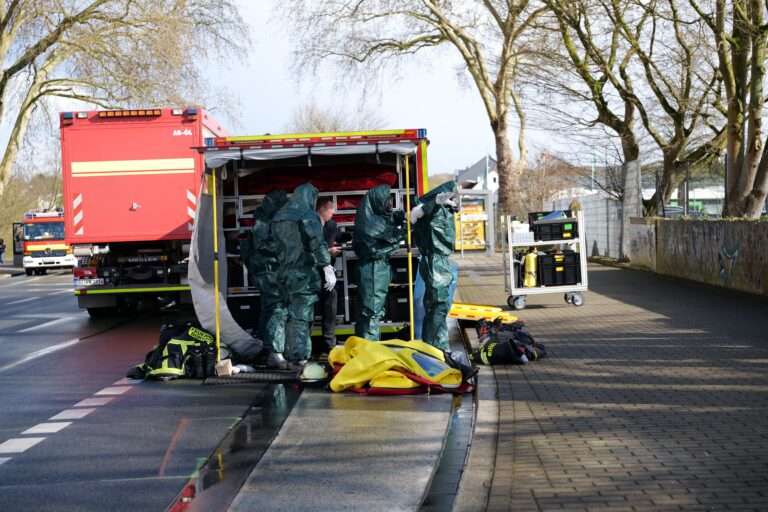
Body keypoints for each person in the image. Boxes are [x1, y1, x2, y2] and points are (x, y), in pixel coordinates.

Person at [271, 183, 336, 368]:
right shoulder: (307, 216)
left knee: (286, 314)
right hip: (303, 273)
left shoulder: (279, 217)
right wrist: (326, 266)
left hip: (283, 272)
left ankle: (280, 353)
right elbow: (316, 241)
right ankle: (298, 357)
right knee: (301, 314)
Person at [241, 189, 289, 369]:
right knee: (277, 309)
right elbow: (274, 248)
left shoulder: (261, 220)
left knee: (268, 309)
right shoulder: (268, 224)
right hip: (270, 273)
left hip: (263, 273)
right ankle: (275, 353)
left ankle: (266, 349)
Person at [410, 181, 460, 351]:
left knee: (438, 307)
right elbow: (420, 214)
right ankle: (434, 347)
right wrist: (434, 204)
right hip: (436, 263)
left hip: (439, 262)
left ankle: (437, 347)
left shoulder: (439, 211)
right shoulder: (431, 212)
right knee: (438, 305)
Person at [353, 184, 405, 340]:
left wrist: (399, 218)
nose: (389, 204)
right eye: (386, 201)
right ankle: (370, 350)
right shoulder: (371, 223)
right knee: (372, 312)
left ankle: (364, 347)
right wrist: (404, 230)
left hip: (373, 269)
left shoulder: (370, 217)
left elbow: (387, 222)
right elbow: (390, 237)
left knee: (368, 312)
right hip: (373, 270)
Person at [316, 198, 351, 350]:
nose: (334, 212)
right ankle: (304, 346)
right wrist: (328, 252)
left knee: (330, 301)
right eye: (331, 209)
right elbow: (310, 248)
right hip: (311, 271)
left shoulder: (330, 225)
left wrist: (349, 237)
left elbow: (335, 237)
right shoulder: (311, 225)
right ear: (322, 209)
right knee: (308, 308)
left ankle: (328, 342)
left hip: (326, 270)